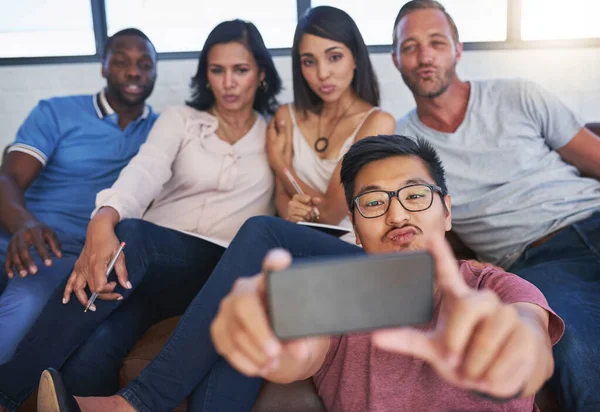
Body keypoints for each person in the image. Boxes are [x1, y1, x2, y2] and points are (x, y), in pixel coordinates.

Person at [36, 135, 564, 412]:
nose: (398, 215)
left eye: (415, 197)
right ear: (354, 227)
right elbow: (299, 355)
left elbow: (527, 336)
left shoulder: (494, 286)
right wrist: (264, 337)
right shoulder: (338, 295)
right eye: (374, 202)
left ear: (447, 210)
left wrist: (507, 348)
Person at [0, 19, 281, 412]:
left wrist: (111, 224)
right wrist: (104, 218)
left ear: (261, 74)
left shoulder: (278, 131)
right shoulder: (182, 120)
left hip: (216, 266)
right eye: (217, 71)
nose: (229, 83)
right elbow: (145, 171)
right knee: (97, 345)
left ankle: (6, 393)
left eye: (241, 70)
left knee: (135, 235)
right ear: (206, 75)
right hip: (151, 267)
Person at [391, 1, 600, 410]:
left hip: (594, 216)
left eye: (436, 42)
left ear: (458, 48)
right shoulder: (405, 149)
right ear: (396, 58)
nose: (425, 56)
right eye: (410, 46)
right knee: (574, 349)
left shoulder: (518, 94)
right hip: (538, 261)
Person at [0, 28, 158, 364]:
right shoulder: (56, 112)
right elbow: (8, 176)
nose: (134, 72)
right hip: (16, 230)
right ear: (103, 66)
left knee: (26, 302)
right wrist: (23, 225)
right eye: (121, 62)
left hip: (68, 250)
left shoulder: (163, 132)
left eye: (145, 64)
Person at [266, 6, 395, 236]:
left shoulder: (377, 123)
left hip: (347, 244)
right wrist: (293, 214)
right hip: (294, 240)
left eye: (334, 57)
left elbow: (330, 214)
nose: (322, 73)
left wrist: (280, 164)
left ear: (355, 58)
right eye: (309, 61)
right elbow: (282, 202)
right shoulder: (286, 116)